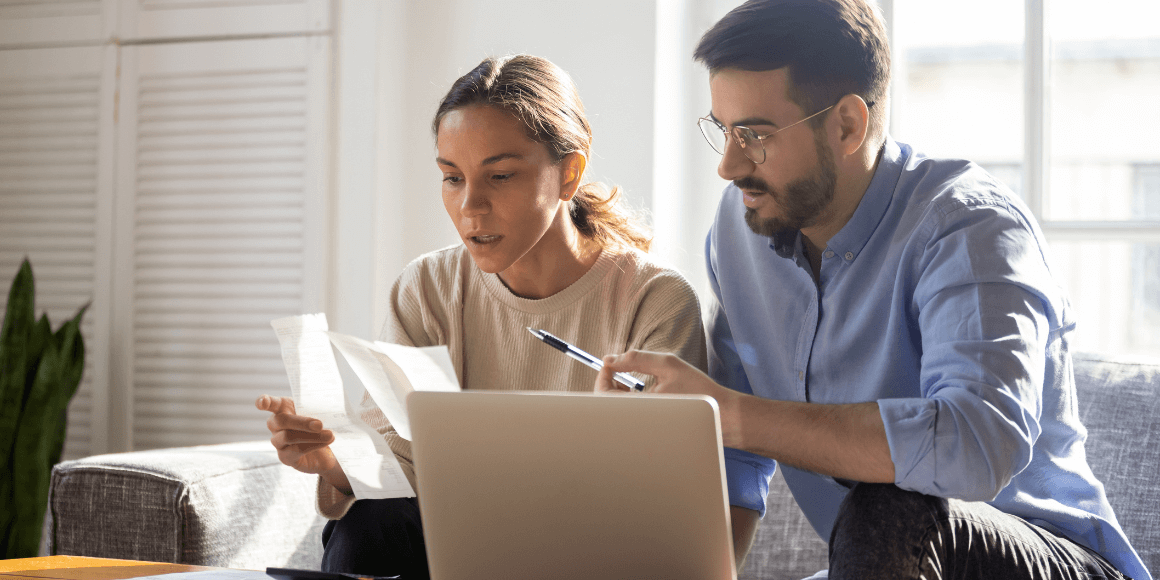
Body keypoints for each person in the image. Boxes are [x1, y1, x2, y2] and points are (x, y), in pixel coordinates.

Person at [596, 1, 1151, 579]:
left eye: (754, 135)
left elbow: (976, 444)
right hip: (882, 564)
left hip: (1045, 558)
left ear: (847, 125)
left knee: (889, 502)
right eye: (722, 130)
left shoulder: (969, 227)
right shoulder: (740, 231)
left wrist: (732, 414)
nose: (729, 166)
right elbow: (734, 458)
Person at [254, 54, 706, 580]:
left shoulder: (655, 300)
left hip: (590, 556)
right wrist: (330, 461)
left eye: (501, 175)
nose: (472, 205)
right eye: (452, 178)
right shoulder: (427, 288)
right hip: (453, 555)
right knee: (372, 521)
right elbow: (398, 468)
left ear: (569, 173)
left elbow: (658, 510)